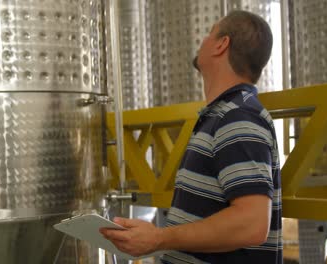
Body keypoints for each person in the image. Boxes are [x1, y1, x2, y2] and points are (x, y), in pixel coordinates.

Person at [100, 10, 282, 264]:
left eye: (210, 34)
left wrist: (159, 238)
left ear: (221, 44)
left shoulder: (239, 116)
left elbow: (251, 224)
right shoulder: (220, 115)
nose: (203, 41)